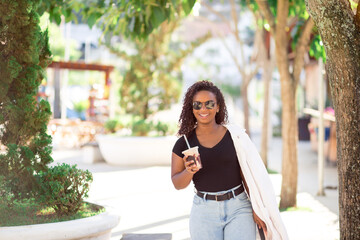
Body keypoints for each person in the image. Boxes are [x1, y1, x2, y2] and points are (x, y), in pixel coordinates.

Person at [171, 80, 288, 240]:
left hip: (239, 208)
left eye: (209, 104)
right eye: (197, 105)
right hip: (204, 211)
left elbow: (246, 173)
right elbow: (177, 183)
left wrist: (257, 208)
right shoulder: (184, 142)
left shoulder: (234, 136)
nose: (203, 109)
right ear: (191, 109)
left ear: (218, 106)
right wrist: (189, 171)